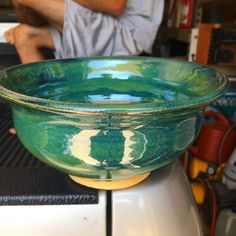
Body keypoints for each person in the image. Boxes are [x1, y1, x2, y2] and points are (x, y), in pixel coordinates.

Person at [4, 0, 164, 64]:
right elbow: (32, 20)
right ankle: (38, 119)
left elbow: (114, 5)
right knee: (25, 35)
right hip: (105, 20)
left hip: (129, 32)